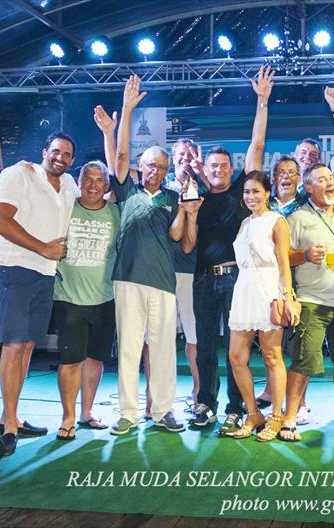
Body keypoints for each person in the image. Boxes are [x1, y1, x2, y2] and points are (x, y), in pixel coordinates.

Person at [183, 66, 274, 436]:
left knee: (236, 350)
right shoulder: (196, 198)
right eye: (213, 166)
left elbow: (257, 145)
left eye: (224, 165)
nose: (218, 170)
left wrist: (262, 101)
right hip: (202, 281)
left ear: (232, 169)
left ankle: (237, 409)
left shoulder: (242, 192)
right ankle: (205, 403)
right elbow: (187, 241)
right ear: (206, 168)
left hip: (235, 279)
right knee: (204, 347)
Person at [109, 75, 196, 435]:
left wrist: (186, 207)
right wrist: (128, 109)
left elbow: (178, 236)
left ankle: (163, 411)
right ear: (140, 167)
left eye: (162, 167)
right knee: (129, 348)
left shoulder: (172, 197)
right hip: (127, 278)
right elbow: (122, 152)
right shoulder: (126, 188)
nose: (155, 171)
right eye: (150, 165)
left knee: (162, 349)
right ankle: (129, 412)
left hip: (162, 281)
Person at [0, 131, 79, 455]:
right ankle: (10, 426)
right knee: (14, 345)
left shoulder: (69, 184)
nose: (61, 157)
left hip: (45, 275)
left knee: (27, 346)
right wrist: (43, 248)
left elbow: (94, 199)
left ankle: (9, 417)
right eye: (56, 151)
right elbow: (0, 221)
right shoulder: (18, 174)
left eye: (67, 154)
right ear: (44, 151)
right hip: (14, 267)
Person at [282, 158, 334, 442]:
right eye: (322, 179)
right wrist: (304, 255)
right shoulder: (296, 218)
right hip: (312, 301)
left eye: (331, 179)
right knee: (303, 362)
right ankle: (289, 417)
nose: (330, 183)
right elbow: (281, 257)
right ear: (307, 187)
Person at [227, 171, 300, 441]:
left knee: (272, 356)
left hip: (269, 290)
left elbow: (283, 263)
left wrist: (287, 298)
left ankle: (277, 417)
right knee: (236, 357)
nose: (250, 196)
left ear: (268, 193)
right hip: (243, 290)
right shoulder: (244, 223)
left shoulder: (277, 221)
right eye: (246, 192)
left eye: (256, 191)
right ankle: (253, 413)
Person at [53, 161, 120, 439]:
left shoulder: (116, 213)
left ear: (106, 186)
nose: (93, 185)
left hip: (105, 299)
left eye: (99, 180)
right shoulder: (65, 209)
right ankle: (68, 417)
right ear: (79, 182)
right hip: (69, 298)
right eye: (88, 179)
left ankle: (87, 412)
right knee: (70, 360)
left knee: (95, 359)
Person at [162, 139, 203, 403]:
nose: (184, 159)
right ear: (171, 158)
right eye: (180, 155)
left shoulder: (204, 187)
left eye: (189, 155)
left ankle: (199, 392)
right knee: (158, 337)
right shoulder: (162, 189)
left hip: (192, 272)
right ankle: (157, 398)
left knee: (193, 336)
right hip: (162, 273)